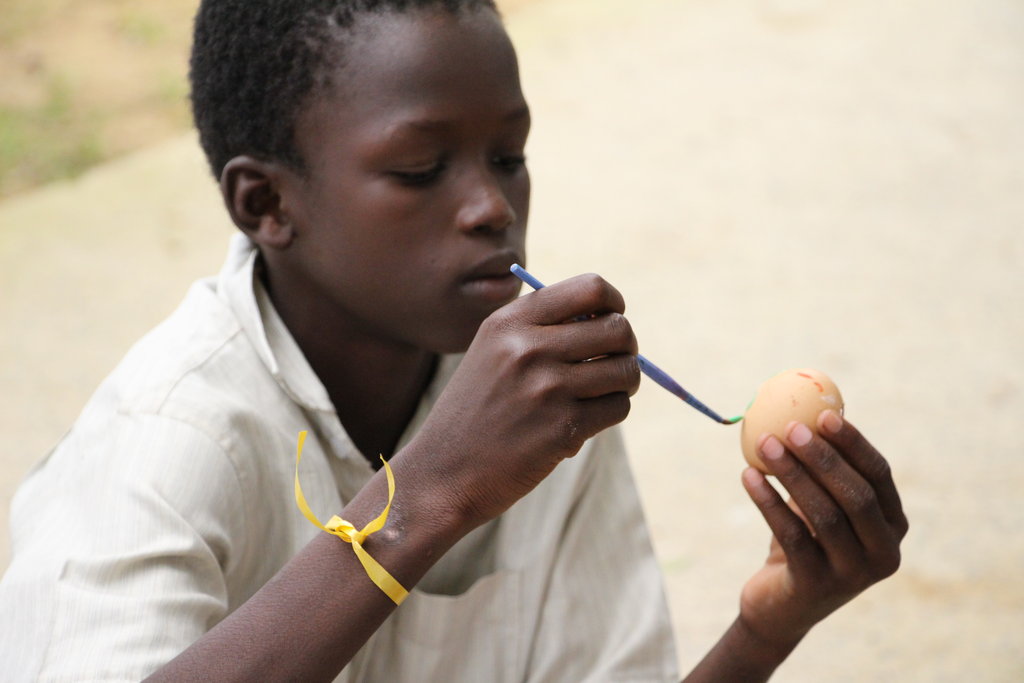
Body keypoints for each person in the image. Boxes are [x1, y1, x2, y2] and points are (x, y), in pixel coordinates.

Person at [0, 1, 908, 681]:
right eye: (421, 169)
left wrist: (767, 627)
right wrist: (423, 498)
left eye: (508, 156)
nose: (490, 207)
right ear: (267, 204)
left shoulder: (543, 401)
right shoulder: (168, 438)